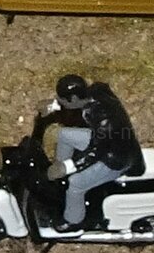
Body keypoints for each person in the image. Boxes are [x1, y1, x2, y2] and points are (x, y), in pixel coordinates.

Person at [55, 84, 144, 230]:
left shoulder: (105, 122)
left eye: (63, 101)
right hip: (105, 141)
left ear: (74, 98)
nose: (61, 103)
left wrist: (69, 166)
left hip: (115, 158)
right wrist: (52, 107)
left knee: (76, 183)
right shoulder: (97, 91)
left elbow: (95, 152)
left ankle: (74, 220)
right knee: (64, 135)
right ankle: (59, 175)